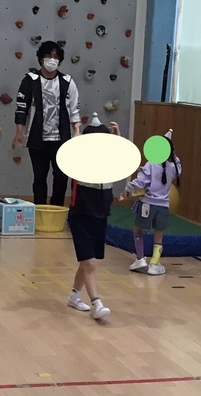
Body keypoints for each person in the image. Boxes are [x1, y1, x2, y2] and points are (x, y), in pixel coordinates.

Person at [11, 41, 81, 206]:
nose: (52, 59)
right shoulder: (30, 80)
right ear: (41, 59)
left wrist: (77, 131)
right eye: (48, 55)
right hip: (37, 140)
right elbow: (21, 108)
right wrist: (19, 133)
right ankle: (40, 210)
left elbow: (74, 110)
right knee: (39, 178)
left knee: (61, 177)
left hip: (61, 140)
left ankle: (57, 210)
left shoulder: (67, 81)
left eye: (56, 56)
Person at [66, 116, 121, 320]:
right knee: (89, 263)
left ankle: (74, 296)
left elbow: (121, 156)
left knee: (87, 261)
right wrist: (77, 133)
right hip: (80, 216)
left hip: (101, 216)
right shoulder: (78, 164)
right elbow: (71, 151)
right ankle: (96, 303)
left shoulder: (110, 165)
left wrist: (117, 137)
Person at [121, 130, 181, 275]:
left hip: (147, 204)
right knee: (159, 234)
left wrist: (128, 189)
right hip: (163, 206)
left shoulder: (151, 165)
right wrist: (173, 153)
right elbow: (178, 166)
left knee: (138, 230)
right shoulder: (174, 167)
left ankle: (140, 258)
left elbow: (140, 181)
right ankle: (154, 263)